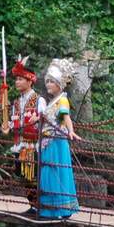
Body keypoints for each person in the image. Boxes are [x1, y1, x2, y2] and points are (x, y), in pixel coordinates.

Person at [37, 58, 80, 218]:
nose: (48, 84)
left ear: (59, 84)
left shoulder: (62, 99)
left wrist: (71, 131)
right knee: (48, 171)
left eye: (51, 82)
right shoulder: (51, 101)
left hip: (56, 141)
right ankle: (49, 208)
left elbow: (65, 116)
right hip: (47, 141)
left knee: (55, 171)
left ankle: (60, 208)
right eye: (47, 81)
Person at [1, 56, 40, 211]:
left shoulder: (38, 100)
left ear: (29, 81)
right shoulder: (16, 102)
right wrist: (7, 126)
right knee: (22, 176)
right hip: (19, 143)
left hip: (32, 144)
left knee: (32, 176)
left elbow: (42, 118)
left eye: (20, 79)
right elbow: (13, 120)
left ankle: (37, 206)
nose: (16, 82)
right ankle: (32, 204)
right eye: (16, 79)